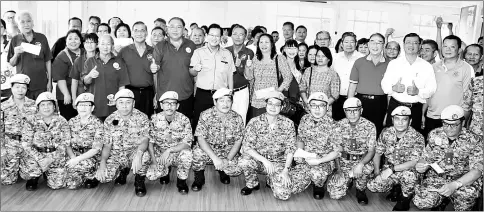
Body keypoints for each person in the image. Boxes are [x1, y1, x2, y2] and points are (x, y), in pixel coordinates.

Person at [238, 91, 311, 200]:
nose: (273, 107)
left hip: (279, 162)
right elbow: (247, 147)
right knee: (244, 161)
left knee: (283, 194)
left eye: (277, 104)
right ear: (266, 105)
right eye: (270, 103)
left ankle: (271, 180)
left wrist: (286, 170)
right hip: (260, 160)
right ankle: (252, 184)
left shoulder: (288, 123)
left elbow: (290, 149)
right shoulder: (254, 122)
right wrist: (264, 161)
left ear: (281, 107)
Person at [413, 105, 483, 211]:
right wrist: (421, 165)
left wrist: (455, 185)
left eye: (454, 125)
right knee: (420, 201)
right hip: (438, 177)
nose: (449, 129)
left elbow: (477, 170)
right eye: (445, 124)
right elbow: (425, 157)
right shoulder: (434, 134)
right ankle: (442, 200)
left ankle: (452, 199)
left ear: (463, 123)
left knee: (465, 199)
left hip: (462, 181)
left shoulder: (475, 140)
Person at [367, 106, 425, 211]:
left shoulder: (417, 137)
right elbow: (378, 153)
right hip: (389, 168)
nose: (400, 122)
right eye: (397, 119)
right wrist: (376, 172)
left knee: (410, 176)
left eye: (404, 119)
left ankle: (405, 198)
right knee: (373, 185)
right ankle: (396, 187)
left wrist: (392, 169)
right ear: (392, 120)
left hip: (407, 170)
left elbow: (414, 162)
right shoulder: (386, 132)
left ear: (410, 121)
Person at [95, 89, 151, 197]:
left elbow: (145, 140)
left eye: (128, 102)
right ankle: (122, 171)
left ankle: (139, 181)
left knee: (144, 157)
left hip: (134, 153)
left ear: (133, 103)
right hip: (117, 154)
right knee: (103, 177)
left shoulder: (142, 118)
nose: (124, 106)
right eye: (121, 102)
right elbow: (107, 145)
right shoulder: (109, 120)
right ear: (116, 104)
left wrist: (139, 154)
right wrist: (102, 163)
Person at [381, 33, 436, 133]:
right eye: (408, 43)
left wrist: (418, 91)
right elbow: (384, 84)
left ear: (420, 46)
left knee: (412, 140)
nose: (411, 45)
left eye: (415, 43)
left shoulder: (427, 66)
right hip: (395, 105)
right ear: (404, 45)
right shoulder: (394, 64)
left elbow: (432, 89)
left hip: (415, 109)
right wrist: (393, 88)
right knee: (390, 137)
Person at [191, 88, 245, 191]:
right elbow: (200, 138)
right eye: (221, 100)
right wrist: (215, 158)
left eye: (228, 100)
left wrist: (227, 159)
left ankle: (223, 171)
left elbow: (238, 141)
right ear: (215, 102)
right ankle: (199, 177)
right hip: (209, 150)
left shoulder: (237, 118)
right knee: (197, 152)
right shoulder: (206, 114)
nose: (225, 104)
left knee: (236, 169)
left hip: (226, 152)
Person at [327, 97, 376, 205]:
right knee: (335, 194)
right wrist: (339, 170)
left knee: (365, 170)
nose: (352, 114)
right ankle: (348, 180)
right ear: (345, 111)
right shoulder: (338, 125)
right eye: (349, 111)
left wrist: (360, 164)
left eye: (356, 110)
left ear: (361, 110)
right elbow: (336, 150)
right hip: (344, 162)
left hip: (362, 161)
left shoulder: (370, 126)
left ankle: (360, 189)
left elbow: (371, 151)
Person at [424, 35, 474, 137]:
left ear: (459, 50)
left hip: (453, 119)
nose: (448, 49)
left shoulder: (466, 68)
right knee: (431, 148)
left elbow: (468, 98)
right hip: (432, 116)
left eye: (452, 47)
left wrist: (463, 120)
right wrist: (422, 114)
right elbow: (427, 93)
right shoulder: (433, 67)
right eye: (445, 46)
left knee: (450, 151)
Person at [20, 92, 70, 190]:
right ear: (38, 107)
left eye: (49, 104)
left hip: (55, 156)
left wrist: (50, 159)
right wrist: (41, 159)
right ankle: (34, 177)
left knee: (57, 185)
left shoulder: (62, 121)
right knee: (28, 173)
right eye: (43, 104)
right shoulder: (31, 121)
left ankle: (48, 173)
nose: (46, 107)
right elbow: (26, 144)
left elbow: (65, 143)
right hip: (36, 155)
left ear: (54, 106)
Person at [190, 23, 236, 131]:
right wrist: (195, 69)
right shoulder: (198, 53)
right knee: (199, 123)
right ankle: (198, 146)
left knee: (219, 124)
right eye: (212, 35)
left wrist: (231, 92)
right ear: (207, 36)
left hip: (221, 95)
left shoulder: (227, 54)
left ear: (221, 38)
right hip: (203, 94)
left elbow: (230, 75)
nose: (214, 38)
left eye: (217, 36)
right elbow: (192, 73)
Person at [147, 91, 193, 194]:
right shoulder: (154, 120)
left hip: (177, 152)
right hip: (160, 152)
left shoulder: (184, 119)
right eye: (166, 103)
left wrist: (170, 150)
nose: (169, 106)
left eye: (173, 103)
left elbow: (187, 143)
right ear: (161, 105)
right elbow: (150, 142)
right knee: (151, 175)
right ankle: (165, 172)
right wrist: (154, 161)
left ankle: (181, 182)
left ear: (177, 106)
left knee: (187, 155)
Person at [151, 17, 197, 120]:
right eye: (172, 27)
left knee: (184, 130)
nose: (175, 30)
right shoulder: (160, 46)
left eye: (178, 27)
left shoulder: (191, 45)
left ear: (184, 29)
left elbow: (194, 70)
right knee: (163, 131)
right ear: (167, 29)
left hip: (185, 96)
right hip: (165, 97)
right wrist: (156, 94)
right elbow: (156, 69)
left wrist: (195, 91)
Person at [296, 92, 340, 199]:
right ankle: (307, 179)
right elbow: (300, 138)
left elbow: (337, 151)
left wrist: (319, 161)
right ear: (309, 107)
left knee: (317, 174)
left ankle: (319, 185)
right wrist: (299, 152)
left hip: (324, 161)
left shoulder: (334, 125)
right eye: (314, 105)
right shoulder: (304, 119)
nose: (317, 109)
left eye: (321, 105)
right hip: (306, 158)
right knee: (287, 188)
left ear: (327, 107)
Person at [348, 33, 389, 135]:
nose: (375, 46)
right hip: (362, 102)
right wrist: (349, 106)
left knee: (377, 132)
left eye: (379, 43)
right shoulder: (359, 62)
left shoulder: (389, 64)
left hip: (381, 103)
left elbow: (390, 92)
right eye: (373, 42)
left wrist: (388, 111)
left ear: (383, 45)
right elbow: (352, 86)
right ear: (368, 44)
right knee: (360, 133)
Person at [82, 34, 130, 121]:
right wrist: (90, 75)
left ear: (112, 46)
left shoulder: (119, 61)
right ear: (98, 45)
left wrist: (119, 101)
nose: (105, 47)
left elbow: (122, 85)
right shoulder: (90, 61)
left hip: (113, 106)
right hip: (95, 106)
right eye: (102, 44)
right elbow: (85, 82)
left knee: (114, 132)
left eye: (108, 44)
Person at [244, 33, 292, 119]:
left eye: (266, 42)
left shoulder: (279, 58)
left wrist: (278, 91)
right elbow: (249, 77)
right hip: (256, 100)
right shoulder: (255, 59)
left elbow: (288, 77)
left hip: (272, 100)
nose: (263, 45)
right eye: (261, 42)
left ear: (272, 44)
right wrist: (248, 67)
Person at [7, 11, 53, 99]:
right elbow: (12, 63)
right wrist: (16, 54)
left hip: (41, 84)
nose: (26, 24)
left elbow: (48, 60)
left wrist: (49, 82)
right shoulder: (15, 40)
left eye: (28, 21)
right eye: (22, 22)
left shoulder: (42, 38)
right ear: (18, 25)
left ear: (33, 23)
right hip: (22, 86)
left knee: (42, 109)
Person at [1, 74, 36, 185]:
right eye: (17, 87)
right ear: (11, 88)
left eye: (23, 87)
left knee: (31, 175)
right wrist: (2, 151)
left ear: (27, 89)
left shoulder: (34, 105)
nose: (20, 90)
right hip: (10, 144)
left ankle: (23, 168)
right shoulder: (3, 106)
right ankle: (16, 167)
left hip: (29, 145)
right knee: (7, 181)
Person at [64, 93, 103, 189]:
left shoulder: (98, 123)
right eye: (81, 105)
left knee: (82, 165)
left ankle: (91, 176)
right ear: (76, 107)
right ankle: (80, 175)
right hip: (73, 154)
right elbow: (66, 143)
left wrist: (77, 160)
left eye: (87, 105)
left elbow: (96, 149)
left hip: (91, 156)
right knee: (67, 182)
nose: (83, 108)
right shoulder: (71, 122)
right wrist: (73, 157)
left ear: (92, 108)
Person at [117, 21, 155, 117]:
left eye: (142, 30)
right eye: (136, 30)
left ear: (146, 33)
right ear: (132, 33)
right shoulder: (124, 51)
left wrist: (156, 94)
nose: (139, 33)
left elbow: (157, 75)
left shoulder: (154, 51)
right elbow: (118, 74)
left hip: (148, 93)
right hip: (130, 93)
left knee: (147, 121)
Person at [52, 29, 84, 120]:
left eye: (76, 39)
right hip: (66, 94)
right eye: (70, 39)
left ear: (80, 41)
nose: (73, 41)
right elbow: (60, 78)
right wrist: (66, 94)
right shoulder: (61, 56)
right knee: (69, 120)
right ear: (66, 41)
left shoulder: (85, 52)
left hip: (82, 93)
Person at [331, 32, 364, 121]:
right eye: (346, 42)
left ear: (356, 43)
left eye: (352, 42)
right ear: (342, 43)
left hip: (356, 97)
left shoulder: (362, 58)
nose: (349, 44)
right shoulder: (335, 58)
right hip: (337, 98)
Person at [299, 46, 339, 117]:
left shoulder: (333, 74)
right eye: (318, 56)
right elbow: (302, 88)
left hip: (325, 110)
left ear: (328, 59)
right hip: (308, 109)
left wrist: (322, 106)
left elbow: (335, 95)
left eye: (323, 56)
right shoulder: (308, 70)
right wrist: (307, 102)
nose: (320, 58)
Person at [226, 24, 254, 124]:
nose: (238, 37)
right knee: (225, 119)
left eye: (241, 34)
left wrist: (239, 67)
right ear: (231, 36)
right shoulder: (225, 51)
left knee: (240, 119)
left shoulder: (249, 52)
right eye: (235, 34)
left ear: (245, 36)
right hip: (226, 91)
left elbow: (248, 75)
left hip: (241, 91)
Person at [70, 33, 98, 102]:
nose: (89, 45)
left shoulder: (101, 58)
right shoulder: (78, 60)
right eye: (87, 42)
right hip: (82, 95)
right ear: (84, 44)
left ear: (97, 44)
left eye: (92, 42)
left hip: (98, 93)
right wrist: (74, 99)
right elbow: (74, 80)